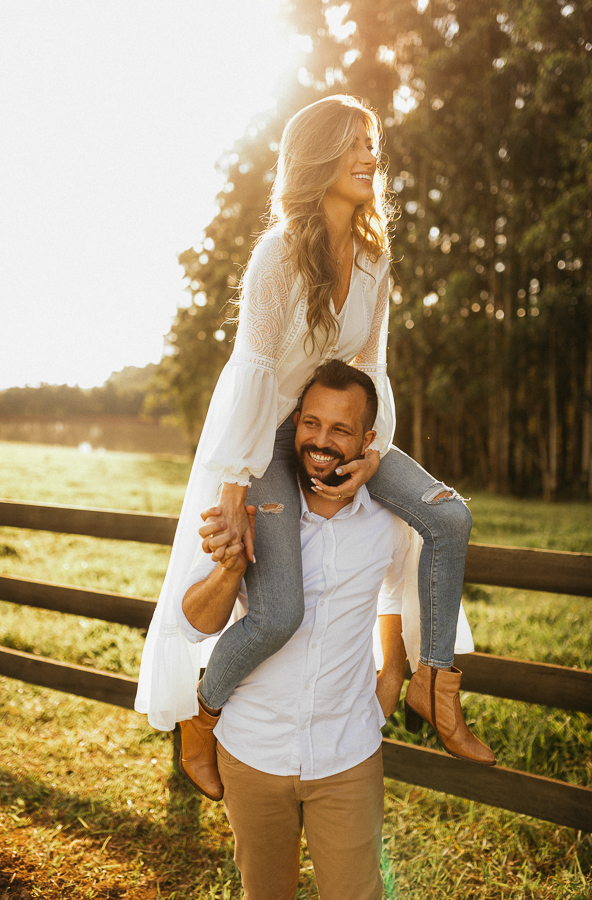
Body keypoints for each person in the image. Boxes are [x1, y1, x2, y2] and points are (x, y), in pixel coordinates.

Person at [135, 94, 494, 776]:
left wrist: (373, 450)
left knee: (449, 520)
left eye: (372, 143)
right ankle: (202, 715)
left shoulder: (372, 259)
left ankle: (433, 685)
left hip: (338, 424)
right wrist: (236, 487)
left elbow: (370, 366)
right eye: (356, 141)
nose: (370, 155)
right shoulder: (276, 254)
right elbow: (255, 371)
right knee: (278, 613)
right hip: (262, 435)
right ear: (318, 155)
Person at [175, 362, 489, 900]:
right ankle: (197, 723)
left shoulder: (387, 518)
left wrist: (392, 673)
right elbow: (193, 622)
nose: (320, 442)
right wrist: (231, 565)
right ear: (294, 421)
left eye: (340, 430)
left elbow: (396, 591)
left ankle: (435, 690)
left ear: (369, 440)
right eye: (311, 424)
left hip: (348, 753)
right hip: (252, 749)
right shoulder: (249, 499)